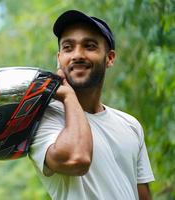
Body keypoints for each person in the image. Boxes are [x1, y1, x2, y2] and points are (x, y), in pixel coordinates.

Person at [29, 10, 155, 200]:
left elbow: (142, 195)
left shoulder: (130, 125)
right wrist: (69, 97)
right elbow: (77, 159)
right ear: (59, 58)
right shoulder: (42, 119)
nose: (77, 55)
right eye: (68, 47)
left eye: (89, 46)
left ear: (110, 58)